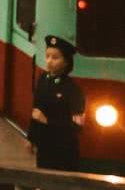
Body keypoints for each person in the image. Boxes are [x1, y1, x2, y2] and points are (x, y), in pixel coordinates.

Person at [31, 35, 86, 170]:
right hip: (44, 148)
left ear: (66, 62)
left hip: (63, 152)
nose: (49, 61)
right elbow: (36, 110)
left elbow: (76, 126)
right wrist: (31, 138)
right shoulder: (43, 80)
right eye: (47, 56)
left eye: (55, 58)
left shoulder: (73, 90)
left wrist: (49, 122)